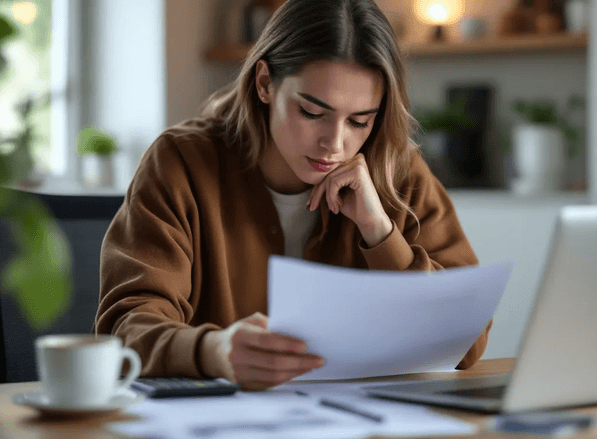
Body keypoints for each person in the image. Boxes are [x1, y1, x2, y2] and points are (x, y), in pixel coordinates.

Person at [96, 0, 491, 391]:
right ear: (265, 83)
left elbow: (468, 343)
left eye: (359, 120)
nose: (334, 143)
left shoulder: (397, 170)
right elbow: (123, 329)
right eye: (312, 112)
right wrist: (211, 350)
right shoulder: (180, 163)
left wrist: (381, 233)